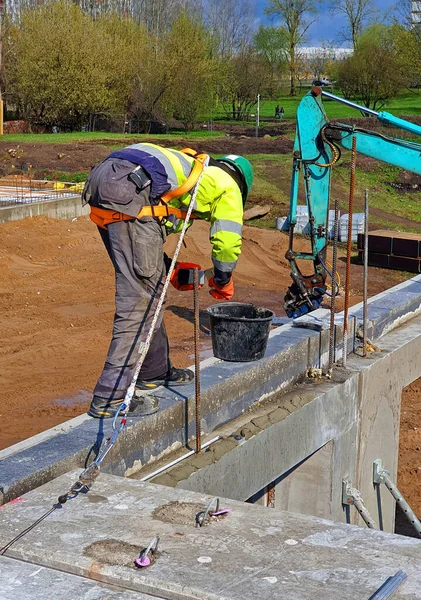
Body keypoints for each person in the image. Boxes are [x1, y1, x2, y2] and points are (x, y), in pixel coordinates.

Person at [81, 143, 254, 418]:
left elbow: (151, 232)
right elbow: (227, 241)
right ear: (242, 183)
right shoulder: (228, 186)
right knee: (138, 301)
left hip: (106, 179)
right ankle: (110, 397)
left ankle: (154, 371)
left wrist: (166, 269)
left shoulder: (192, 175)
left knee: (152, 289)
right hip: (128, 189)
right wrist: (222, 278)